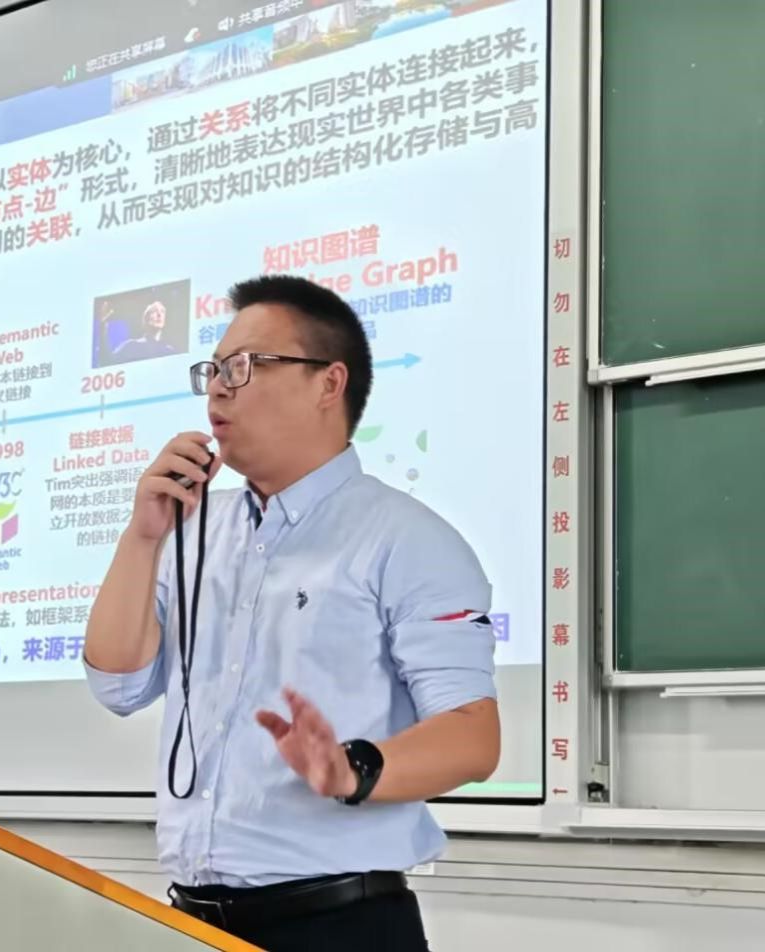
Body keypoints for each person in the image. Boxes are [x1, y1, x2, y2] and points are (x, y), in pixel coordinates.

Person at [84, 275, 500, 951]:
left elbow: (472, 737)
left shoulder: (406, 538)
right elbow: (119, 685)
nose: (218, 390)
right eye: (213, 371)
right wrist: (142, 536)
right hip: (190, 922)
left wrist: (351, 768)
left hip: (340, 928)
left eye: (244, 366)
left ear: (328, 383)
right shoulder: (192, 531)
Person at [112, 300, 177, 362]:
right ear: (146, 318)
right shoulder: (131, 346)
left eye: (162, 311)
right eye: (154, 311)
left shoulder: (169, 351)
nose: (159, 315)